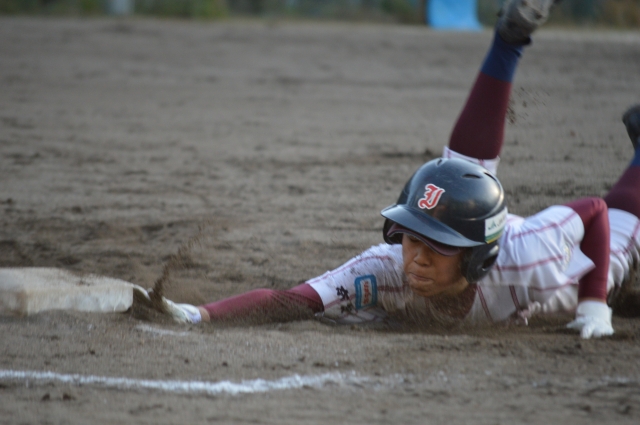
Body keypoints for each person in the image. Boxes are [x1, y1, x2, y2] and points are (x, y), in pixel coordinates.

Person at [135, 0, 640, 339]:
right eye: (411, 238)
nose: (414, 258)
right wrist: (198, 314)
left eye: (436, 247)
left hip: (577, 277)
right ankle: (508, 42)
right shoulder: (386, 267)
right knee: (456, 182)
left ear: (476, 260)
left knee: (624, 229)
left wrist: (595, 304)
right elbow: (293, 300)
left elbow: (594, 212)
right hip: (489, 241)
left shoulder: (532, 256)